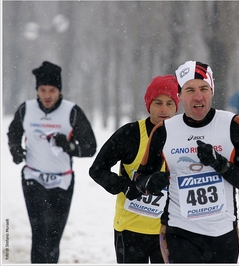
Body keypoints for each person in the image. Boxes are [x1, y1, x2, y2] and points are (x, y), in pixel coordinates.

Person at [132, 60, 239, 263]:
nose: (198, 96)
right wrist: (149, 183)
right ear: (179, 95)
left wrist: (221, 165)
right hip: (180, 231)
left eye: (203, 88)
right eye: (190, 90)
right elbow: (140, 178)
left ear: (212, 91)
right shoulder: (163, 131)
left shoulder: (234, 125)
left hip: (223, 233)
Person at [7, 61, 97, 263]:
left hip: (62, 182)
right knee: (40, 232)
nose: (47, 95)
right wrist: (15, 150)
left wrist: (68, 146)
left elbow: (90, 147)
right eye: (42, 90)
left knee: (53, 237)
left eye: (52, 90)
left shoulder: (72, 112)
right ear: (37, 90)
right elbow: (14, 133)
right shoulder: (26, 109)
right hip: (33, 178)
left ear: (60, 90)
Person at [88, 75, 179, 263]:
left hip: (168, 232)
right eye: (158, 103)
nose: (164, 109)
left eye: (170, 103)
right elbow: (97, 169)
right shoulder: (130, 134)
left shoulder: (184, 137)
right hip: (130, 230)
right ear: (149, 105)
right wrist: (124, 185)